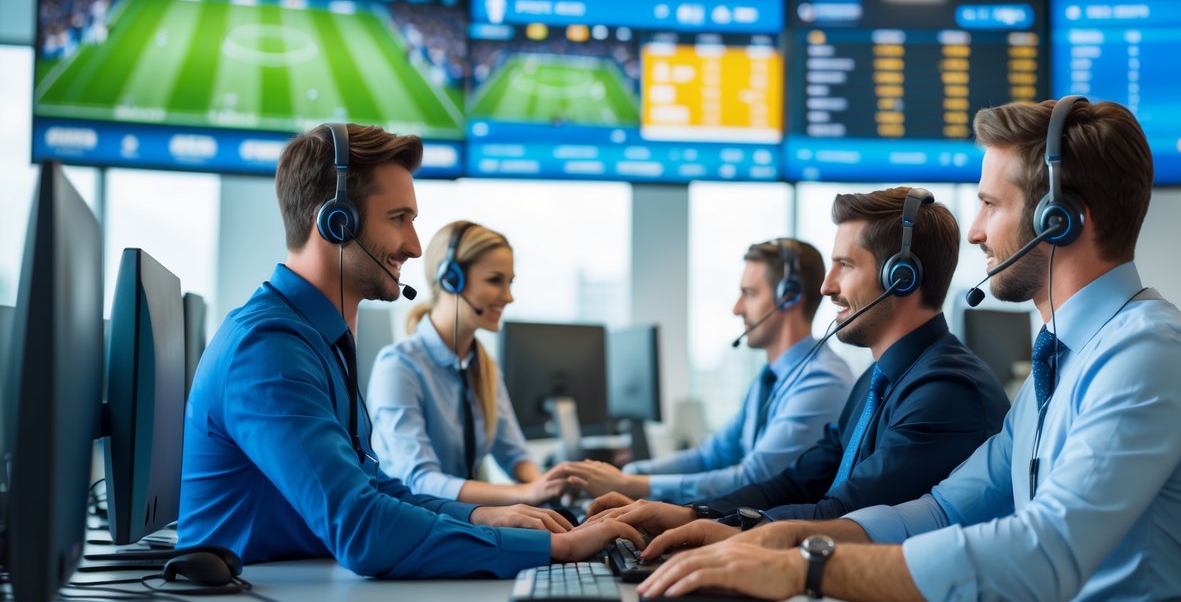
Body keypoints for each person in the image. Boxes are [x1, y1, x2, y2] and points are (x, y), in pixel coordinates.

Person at [638, 98, 1181, 602]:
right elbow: (941, 510)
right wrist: (785, 537)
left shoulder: (1147, 357)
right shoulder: (1066, 360)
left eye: (989, 204)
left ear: (1060, 219)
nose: (976, 231)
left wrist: (809, 566)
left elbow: (1043, 559)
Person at [178, 123, 637, 577]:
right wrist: (554, 547)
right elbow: (360, 527)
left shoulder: (322, 342)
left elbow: (374, 490)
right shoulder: (268, 350)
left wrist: (482, 516)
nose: (416, 247)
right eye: (399, 219)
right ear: (338, 222)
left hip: (291, 593)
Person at [591, 187, 1008, 535]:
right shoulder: (877, 380)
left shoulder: (946, 392)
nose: (827, 287)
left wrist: (723, 530)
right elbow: (797, 481)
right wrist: (691, 514)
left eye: (844, 265)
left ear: (900, 277)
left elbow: (842, 514)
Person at [551, 238, 855, 504]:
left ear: (788, 296)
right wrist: (626, 474)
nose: (737, 308)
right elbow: (710, 455)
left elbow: (754, 477)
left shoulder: (821, 382)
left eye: (748, 293)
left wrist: (633, 486)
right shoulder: (769, 380)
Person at [367, 220, 564, 506]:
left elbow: (515, 455)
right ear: (451, 279)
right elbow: (419, 480)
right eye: (495, 280)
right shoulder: (399, 367)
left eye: (510, 283)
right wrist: (524, 494)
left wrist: (549, 485)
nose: (508, 296)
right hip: (417, 525)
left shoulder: (483, 366)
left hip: (465, 522)